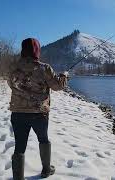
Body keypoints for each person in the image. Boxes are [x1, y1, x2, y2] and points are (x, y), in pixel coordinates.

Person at [7, 38, 68, 180]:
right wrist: (64, 76)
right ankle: (46, 170)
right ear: (37, 51)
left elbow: (12, 84)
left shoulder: (12, 67)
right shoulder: (44, 68)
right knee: (43, 139)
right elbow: (58, 86)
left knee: (19, 146)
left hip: (18, 113)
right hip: (39, 113)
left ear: (23, 50)